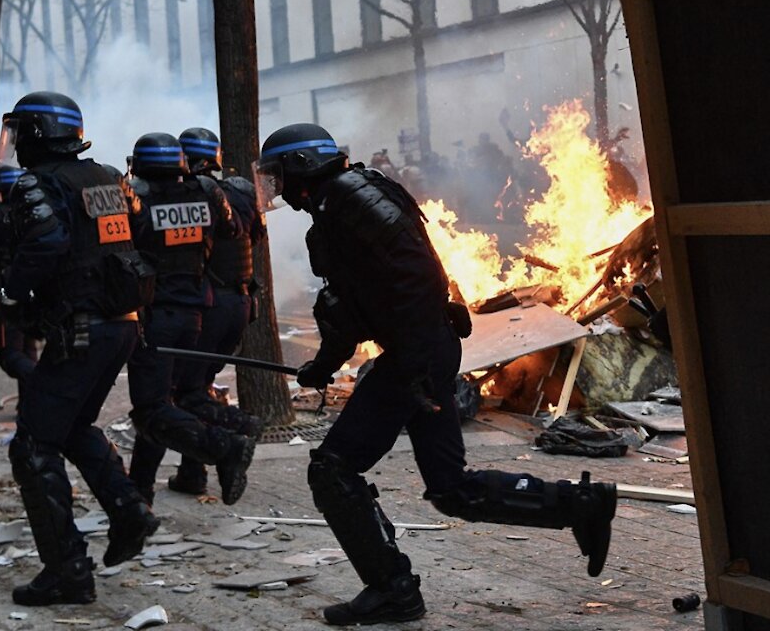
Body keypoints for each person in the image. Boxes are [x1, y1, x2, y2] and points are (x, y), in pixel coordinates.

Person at [256, 123, 618, 626]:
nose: (275, 188)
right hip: (424, 350)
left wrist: (369, 363)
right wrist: (332, 362)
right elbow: (369, 294)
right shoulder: (360, 192)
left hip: (415, 357)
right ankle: (579, 504)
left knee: (332, 469)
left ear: (300, 167)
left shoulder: (342, 203)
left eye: (276, 174)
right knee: (452, 489)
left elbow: (379, 291)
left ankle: (393, 590)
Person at [0, 91, 160, 606]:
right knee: (71, 428)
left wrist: (12, 288)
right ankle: (130, 510)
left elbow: (46, 238)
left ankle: (67, 570)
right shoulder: (109, 176)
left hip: (81, 329)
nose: (16, 143)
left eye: (20, 131)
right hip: (121, 325)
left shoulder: (38, 183)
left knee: (32, 446)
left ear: (39, 134)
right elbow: (132, 235)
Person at [123, 132, 255, 506]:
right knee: (180, 398)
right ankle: (172, 476)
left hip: (158, 315)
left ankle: (227, 442)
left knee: (153, 407)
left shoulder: (140, 202)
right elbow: (230, 230)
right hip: (196, 312)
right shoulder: (207, 196)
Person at [163, 128, 264, 496]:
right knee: (195, 386)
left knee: (176, 393)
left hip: (209, 304)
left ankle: (237, 430)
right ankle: (193, 474)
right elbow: (253, 239)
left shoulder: (193, 197)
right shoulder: (243, 191)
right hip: (240, 305)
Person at [0, 164, 39, 396]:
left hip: (9, 290)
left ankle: (38, 383)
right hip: (34, 288)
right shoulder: (35, 215)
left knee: (10, 352)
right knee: (28, 345)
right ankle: (30, 403)